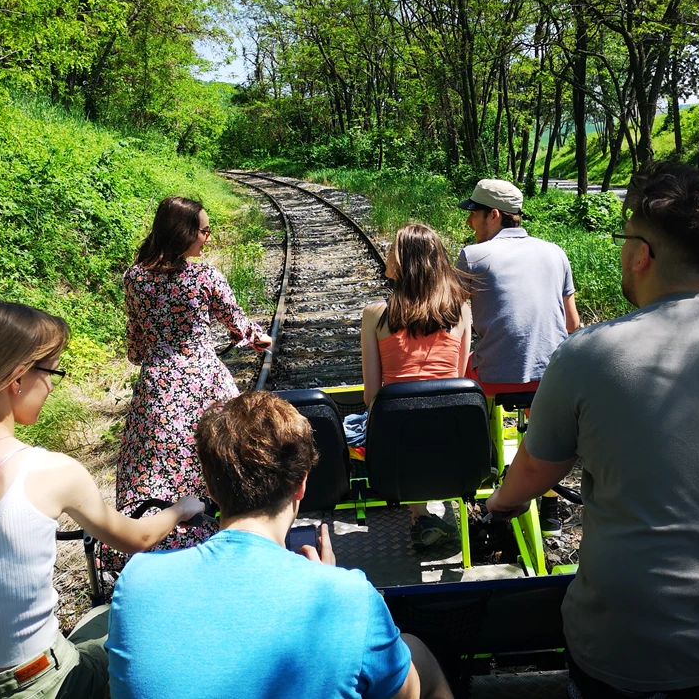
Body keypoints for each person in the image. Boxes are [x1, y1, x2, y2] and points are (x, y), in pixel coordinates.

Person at [485, 162, 699, 698]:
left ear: (641, 253)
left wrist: (500, 507)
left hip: (635, 641)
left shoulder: (588, 354)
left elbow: (535, 468)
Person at [0, 298, 205, 699]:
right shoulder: (52, 471)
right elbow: (137, 539)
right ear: (17, 379)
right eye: (51, 370)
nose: (53, 384)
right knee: (146, 634)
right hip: (37, 683)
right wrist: (181, 509)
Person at [106, 391, 454, 699]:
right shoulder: (348, 595)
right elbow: (406, 695)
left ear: (210, 489)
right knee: (416, 654)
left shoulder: (137, 579)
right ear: (301, 485)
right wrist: (328, 587)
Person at [116, 196, 271, 554]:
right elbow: (239, 326)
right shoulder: (204, 277)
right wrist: (257, 338)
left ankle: (159, 538)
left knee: (154, 464)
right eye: (203, 230)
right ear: (182, 232)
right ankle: (221, 534)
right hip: (204, 382)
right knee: (222, 454)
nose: (208, 237)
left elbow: (135, 347)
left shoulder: (135, 277)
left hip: (156, 387)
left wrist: (157, 351)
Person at [361, 223, 471, 546]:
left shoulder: (375, 316)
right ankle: (423, 516)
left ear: (404, 261)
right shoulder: (462, 311)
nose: (387, 254)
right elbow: (459, 382)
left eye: (393, 248)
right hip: (452, 443)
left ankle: (419, 513)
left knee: (396, 416)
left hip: (396, 451)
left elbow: (371, 396)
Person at [455, 178, 579, 394]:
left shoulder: (472, 256)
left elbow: (447, 316)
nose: (468, 222)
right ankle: (535, 425)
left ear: (494, 215)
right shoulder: (556, 252)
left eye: (473, 214)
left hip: (493, 380)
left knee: (458, 368)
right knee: (538, 396)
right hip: (552, 378)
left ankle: (484, 427)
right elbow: (572, 324)